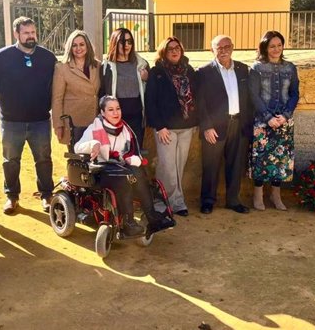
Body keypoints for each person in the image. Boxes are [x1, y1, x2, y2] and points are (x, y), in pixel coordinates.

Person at [74, 95, 175, 236]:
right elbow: (77, 147)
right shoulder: (95, 128)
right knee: (124, 178)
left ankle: (152, 217)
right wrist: (93, 144)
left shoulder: (125, 129)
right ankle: (128, 222)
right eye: (110, 110)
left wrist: (130, 158)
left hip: (120, 166)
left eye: (118, 108)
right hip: (101, 170)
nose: (116, 113)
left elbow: (131, 150)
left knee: (139, 173)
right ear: (102, 113)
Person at [0, 17, 57, 214]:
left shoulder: (47, 57)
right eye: (26, 33)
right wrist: (7, 97)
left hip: (40, 119)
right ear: (16, 34)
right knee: (11, 160)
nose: (30, 36)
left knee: (44, 158)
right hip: (11, 121)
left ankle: (47, 195)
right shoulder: (1, 57)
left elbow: (56, 83)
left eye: (33, 32)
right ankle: (12, 196)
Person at [197, 35, 254, 214]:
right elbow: (200, 102)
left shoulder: (243, 69)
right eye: (218, 48)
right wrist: (206, 126)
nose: (223, 50)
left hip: (238, 123)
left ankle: (233, 200)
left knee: (236, 165)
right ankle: (207, 201)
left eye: (226, 46)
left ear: (232, 47)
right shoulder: (204, 72)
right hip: (214, 127)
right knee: (211, 165)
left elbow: (250, 99)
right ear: (212, 50)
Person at [144, 37, 197, 217]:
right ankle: (161, 201)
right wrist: (159, 126)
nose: (174, 51)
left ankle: (177, 201)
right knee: (167, 166)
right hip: (165, 127)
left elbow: (195, 95)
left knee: (179, 165)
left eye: (177, 48)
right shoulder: (157, 72)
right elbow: (150, 101)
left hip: (187, 126)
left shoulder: (188, 70)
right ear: (164, 52)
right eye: (170, 49)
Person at [249, 31, 300, 211]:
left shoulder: (290, 68)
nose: (276, 49)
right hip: (263, 121)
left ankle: (276, 194)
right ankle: (258, 194)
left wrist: (285, 115)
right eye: (272, 46)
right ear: (265, 47)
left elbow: (294, 93)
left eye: (279, 45)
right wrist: (268, 117)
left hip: (284, 120)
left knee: (281, 159)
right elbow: (253, 95)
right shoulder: (257, 68)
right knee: (261, 158)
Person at [100, 28, 149, 146]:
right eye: (122, 42)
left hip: (136, 117)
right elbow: (101, 92)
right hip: (114, 117)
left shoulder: (142, 64)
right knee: (117, 153)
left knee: (135, 153)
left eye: (129, 41)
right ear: (114, 43)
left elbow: (150, 91)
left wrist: (147, 78)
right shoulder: (107, 66)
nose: (126, 45)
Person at [52, 30, 101, 145]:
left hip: (94, 121)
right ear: (70, 47)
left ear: (87, 46)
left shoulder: (97, 65)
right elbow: (57, 99)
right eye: (74, 45)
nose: (78, 48)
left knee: (95, 159)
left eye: (82, 44)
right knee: (76, 160)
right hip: (73, 123)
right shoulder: (62, 68)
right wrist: (58, 124)